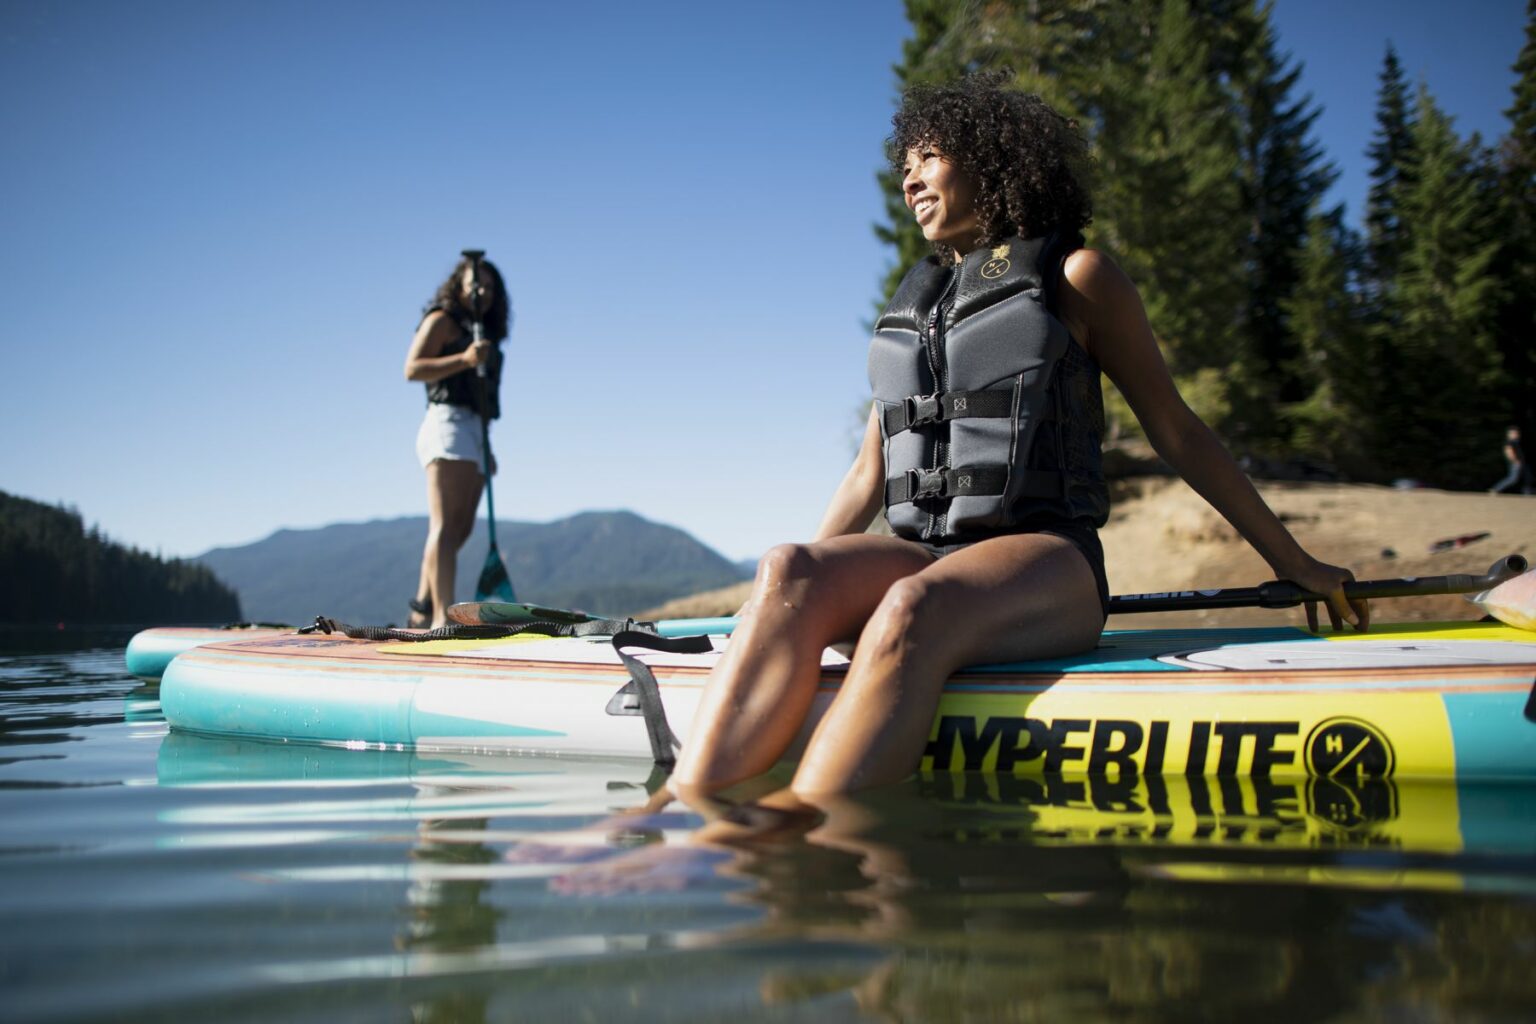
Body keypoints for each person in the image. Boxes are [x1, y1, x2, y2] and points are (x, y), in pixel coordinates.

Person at [670, 73, 1369, 799]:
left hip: (1049, 565)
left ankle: (806, 844)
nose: (909, 179)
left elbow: (1177, 430)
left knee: (915, 609)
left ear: (994, 163)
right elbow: (866, 476)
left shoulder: (1077, 276)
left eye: (928, 158)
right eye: (903, 166)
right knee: (788, 567)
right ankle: (677, 813)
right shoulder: (922, 308)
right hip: (924, 557)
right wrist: (785, 604)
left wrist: (1294, 560)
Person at [403, 254, 510, 628]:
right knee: (445, 526)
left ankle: (421, 604)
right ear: (460, 287)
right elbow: (412, 369)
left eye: (490, 287)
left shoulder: (488, 337)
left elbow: (483, 394)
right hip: (446, 423)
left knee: (461, 528)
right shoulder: (441, 321)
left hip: (476, 431)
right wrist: (464, 359)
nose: (483, 292)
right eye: (475, 284)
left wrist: (488, 446)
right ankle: (439, 617)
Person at [1490, 426, 1533, 495]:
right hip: (1515, 463)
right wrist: (1515, 461)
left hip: (1521, 463)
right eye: (1513, 433)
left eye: (1516, 433)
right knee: (1512, 479)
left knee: (1527, 477)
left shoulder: (1516, 442)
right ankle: (1496, 489)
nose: (1515, 435)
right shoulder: (1509, 442)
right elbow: (1508, 452)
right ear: (1509, 434)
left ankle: (1527, 492)